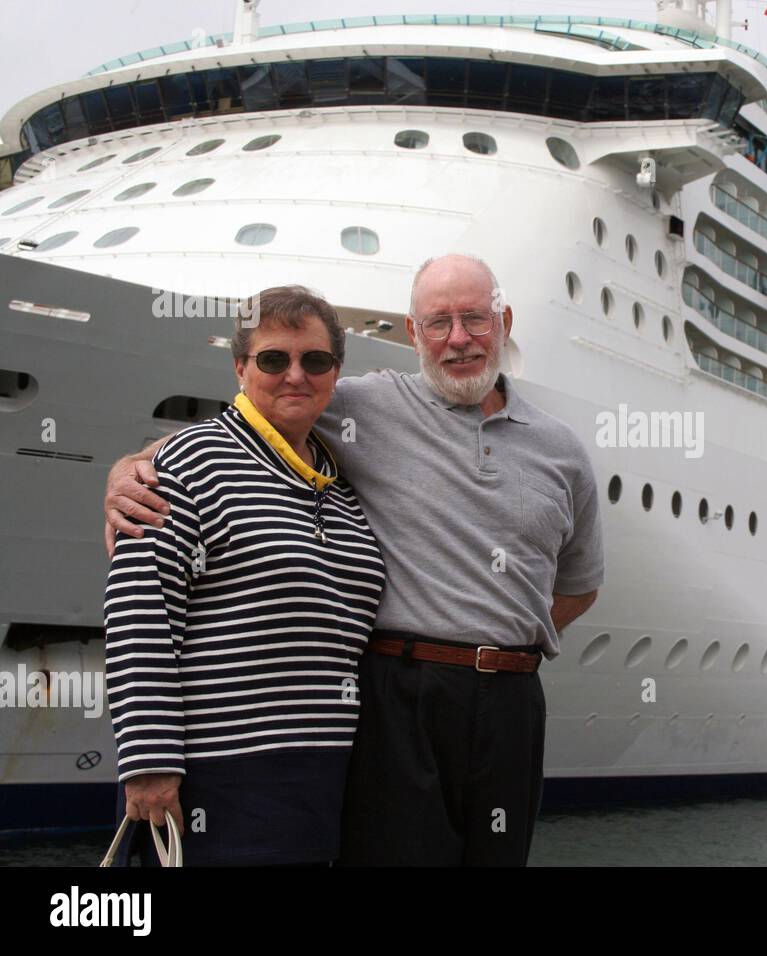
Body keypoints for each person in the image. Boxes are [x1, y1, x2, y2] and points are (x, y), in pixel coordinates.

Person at [105, 254, 604, 865]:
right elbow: (252, 425)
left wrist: (503, 638)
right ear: (414, 333)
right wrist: (129, 467)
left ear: (503, 321)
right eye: (438, 322)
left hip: (500, 704)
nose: (459, 339)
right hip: (391, 698)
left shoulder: (562, 449)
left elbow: (580, 586)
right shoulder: (366, 408)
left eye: (475, 319)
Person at [103, 286, 385, 866]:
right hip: (216, 781)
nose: (295, 376)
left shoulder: (339, 487)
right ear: (240, 367)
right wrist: (151, 766)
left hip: (324, 781)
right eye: (273, 359)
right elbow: (139, 614)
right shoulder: (185, 465)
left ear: (336, 372)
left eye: (315, 360)